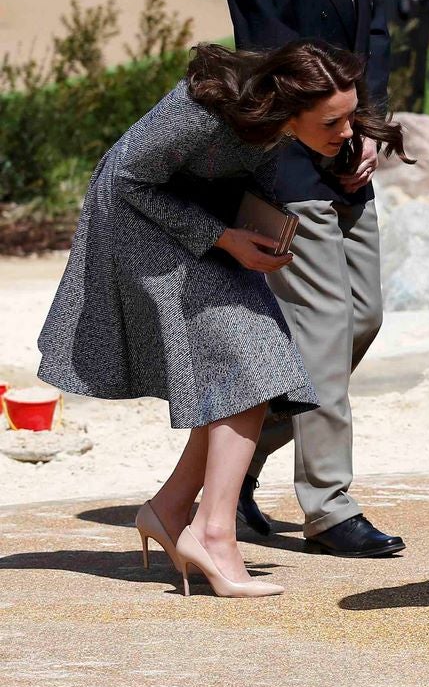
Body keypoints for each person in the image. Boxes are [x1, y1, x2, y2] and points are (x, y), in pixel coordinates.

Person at [35, 41, 409, 597]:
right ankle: (212, 532)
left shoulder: (283, 126)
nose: (345, 131)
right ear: (290, 106)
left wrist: (261, 227)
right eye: (333, 121)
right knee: (252, 361)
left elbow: (247, 179)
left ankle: (169, 512)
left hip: (205, 226)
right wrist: (223, 238)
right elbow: (128, 181)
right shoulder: (202, 110)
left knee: (251, 368)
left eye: (351, 116)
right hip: (134, 225)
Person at [220, 0, 407, 559]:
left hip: (349, 146)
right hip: (287, 157)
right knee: (324, 328)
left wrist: (370, 128)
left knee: (357, 320)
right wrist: (330, 133)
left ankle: (223, 471)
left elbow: (373, 28)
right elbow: (270, 55)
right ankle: (329, 506)